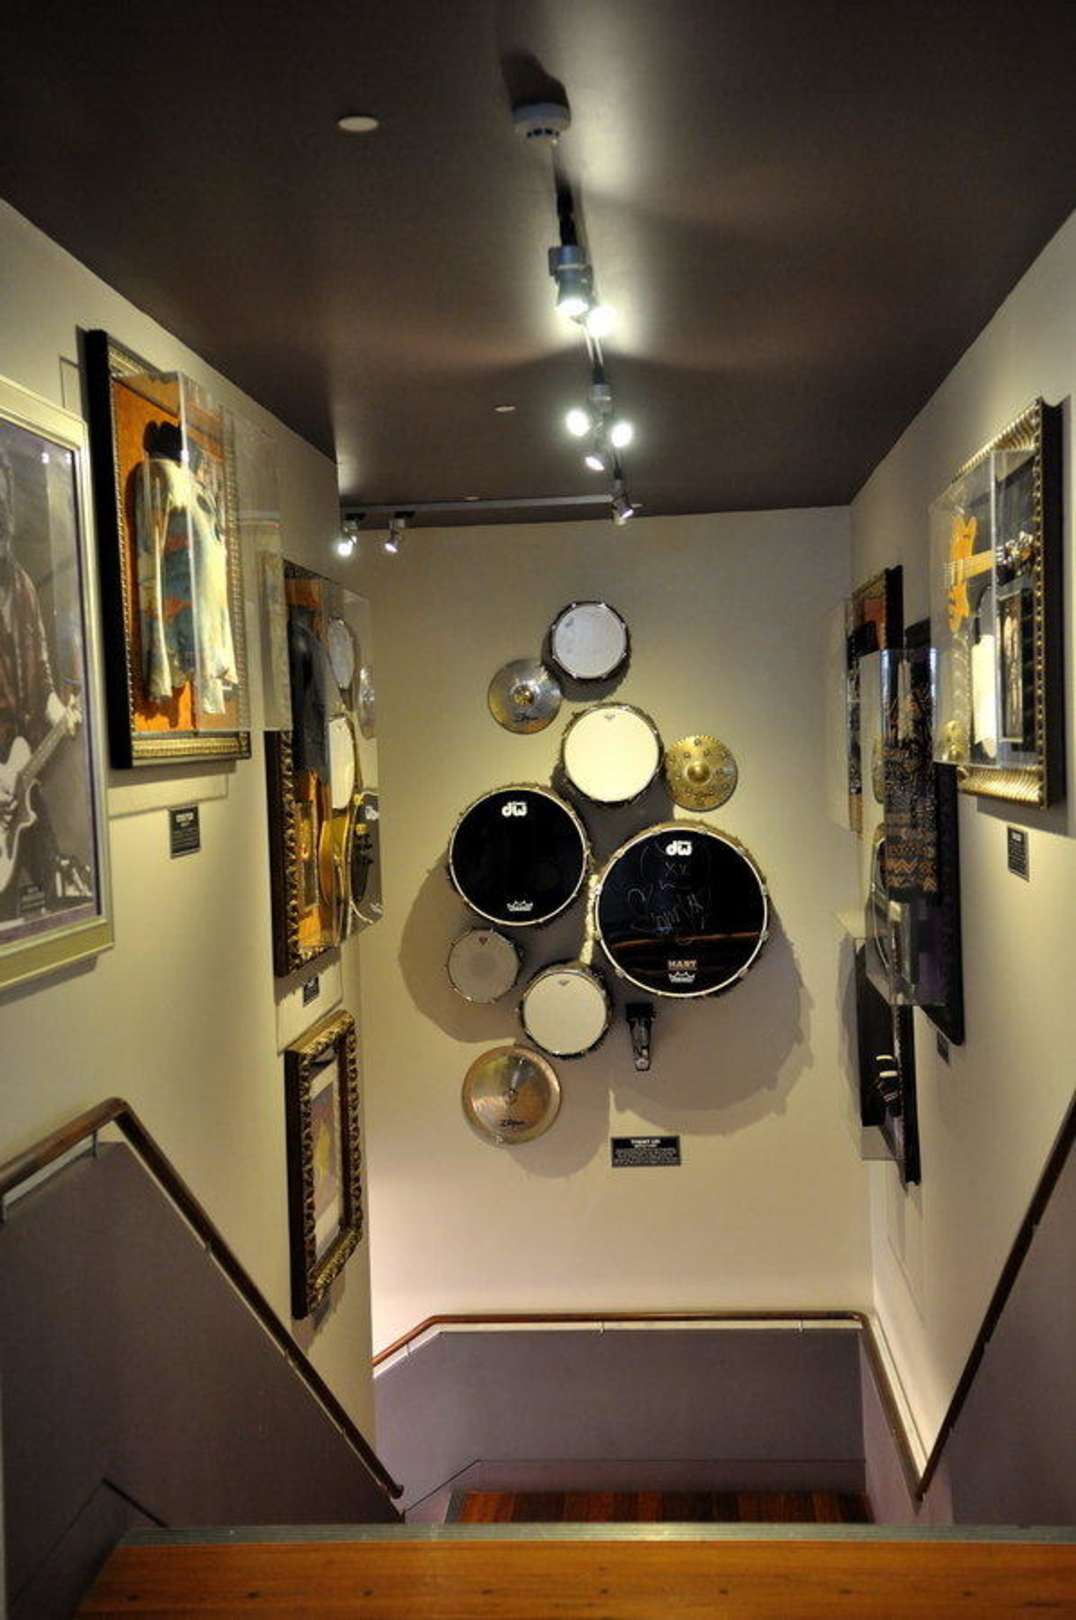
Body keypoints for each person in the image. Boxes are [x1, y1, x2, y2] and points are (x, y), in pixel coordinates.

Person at [0, 444, 80, 915]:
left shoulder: (22, 585)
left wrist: (60, 713)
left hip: (23, 772)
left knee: (58, 899)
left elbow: (43, 681)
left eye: (3, 503)